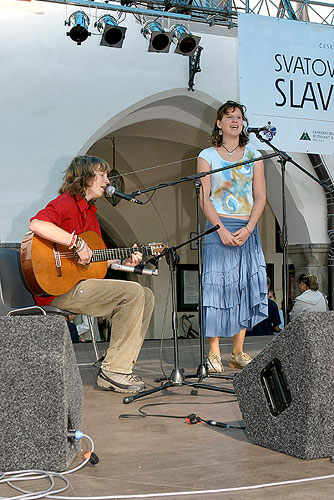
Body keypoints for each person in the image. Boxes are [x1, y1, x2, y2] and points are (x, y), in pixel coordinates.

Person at [28, 155, 154, 393]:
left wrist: (127, 259)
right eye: (102, 174)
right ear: (84, 177)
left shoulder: (91, 213)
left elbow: (100, 260)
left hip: (80, 286)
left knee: (146, 295)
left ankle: (116, 362)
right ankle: (114, 372)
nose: (108, 180)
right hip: (57, 291)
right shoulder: (65, 203)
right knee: (133, 291)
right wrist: (75, 244)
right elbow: (37, 224)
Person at [197, 100, 268, 372]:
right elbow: (204, 198)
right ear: (219, 124)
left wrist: (249, 228)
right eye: (229, 117)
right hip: (218, 228)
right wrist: (221, 230)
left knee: (242, 287)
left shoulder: (255, 154)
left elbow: (260, 195)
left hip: (247, 227)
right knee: (216, 288)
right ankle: (214, 351)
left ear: (243, 123)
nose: (234, 121)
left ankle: (237, 352)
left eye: (238, 117)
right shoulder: (207, 156)